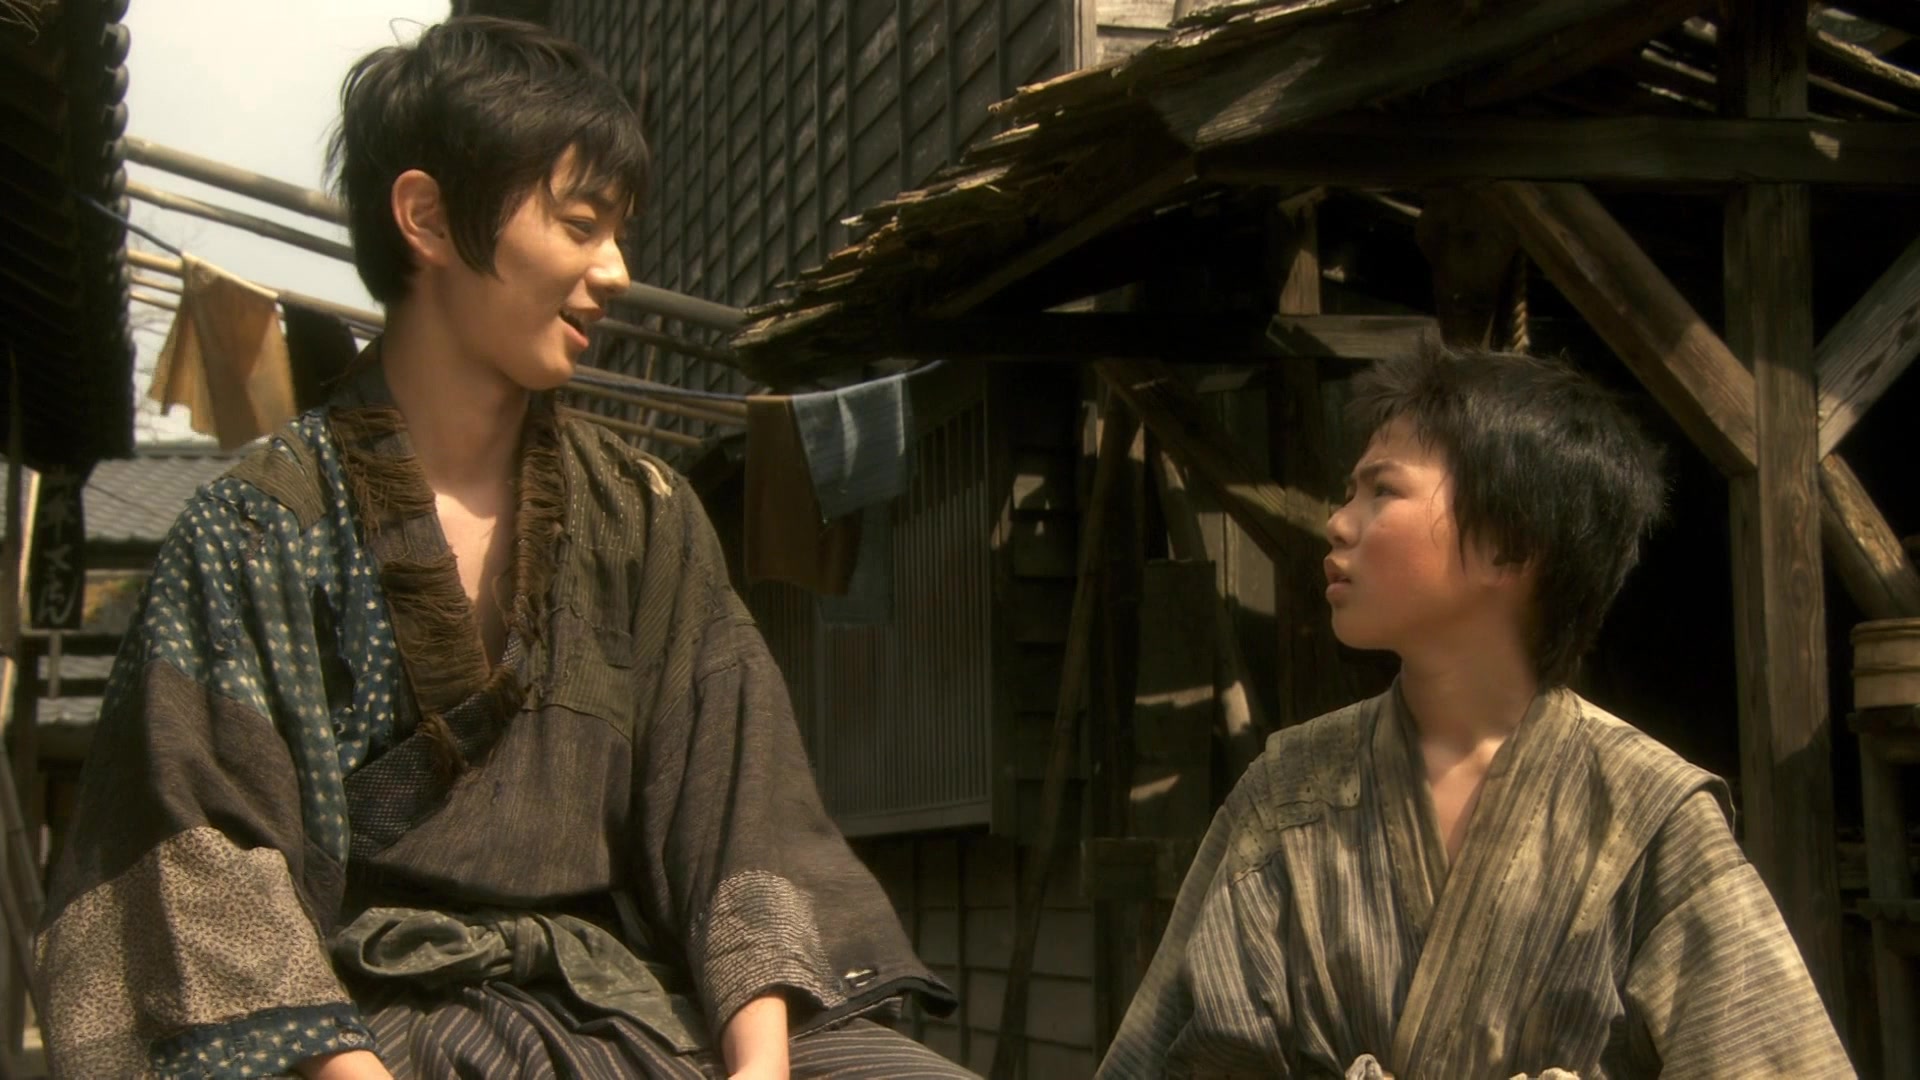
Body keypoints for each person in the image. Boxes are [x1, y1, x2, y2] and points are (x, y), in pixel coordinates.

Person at [36, 17, 975, 1080]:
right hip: (348, 1028)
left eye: (618, 232)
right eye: (580, 225)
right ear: (429, 218)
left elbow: (740, 820)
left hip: (616, 1001)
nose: (616, 271)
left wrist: (757, 1069)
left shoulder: (644, 514)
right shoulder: (252, 530)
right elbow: (201, 867)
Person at [1096, 346, 1854, 1079]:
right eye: (1350, 491)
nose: (1338, 521)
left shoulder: (1648, 813)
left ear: (1508, 544)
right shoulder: (1288, 792)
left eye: (1381, 491)